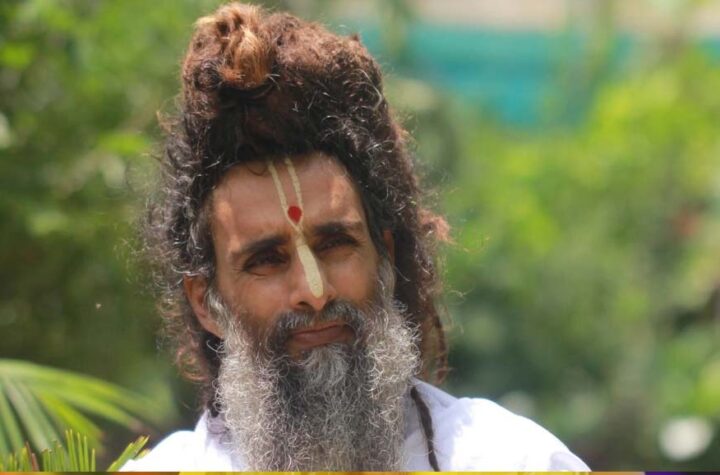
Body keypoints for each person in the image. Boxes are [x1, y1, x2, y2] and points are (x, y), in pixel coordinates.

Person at [123, 3, 589, 471]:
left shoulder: (508, 458)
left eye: (335, 245)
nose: (314, 291)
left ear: (385, 258)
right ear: (206, 303)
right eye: (267, 259)